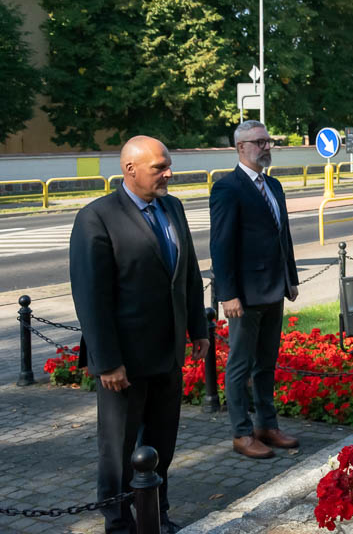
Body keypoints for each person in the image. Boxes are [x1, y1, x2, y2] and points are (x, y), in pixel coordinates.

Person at [69, 135, 209, 534]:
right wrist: (107, 362)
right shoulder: (97, 217)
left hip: (168, 354)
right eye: (159, 168)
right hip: (124, 364)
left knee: (161, 446)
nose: (169, 174)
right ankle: (118, 523)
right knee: (118, 450)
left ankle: (155, 515)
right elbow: (91, 297)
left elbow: (188, 274)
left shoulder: (173, 207)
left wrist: (197, 328)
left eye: (168, 165)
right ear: (130, 170)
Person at [209, 120, 300, 459]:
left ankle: (267, 426)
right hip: (245, 295)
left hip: (275, 289)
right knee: (240, 365)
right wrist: (227, 294)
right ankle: (241, 433)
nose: (266, 147)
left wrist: (291, 279)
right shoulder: (227, 188)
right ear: (240, 147)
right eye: (259, 142)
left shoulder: (273, 185)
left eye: (267, 141)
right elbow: (221, 245)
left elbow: (283, 237)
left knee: (266, 363)